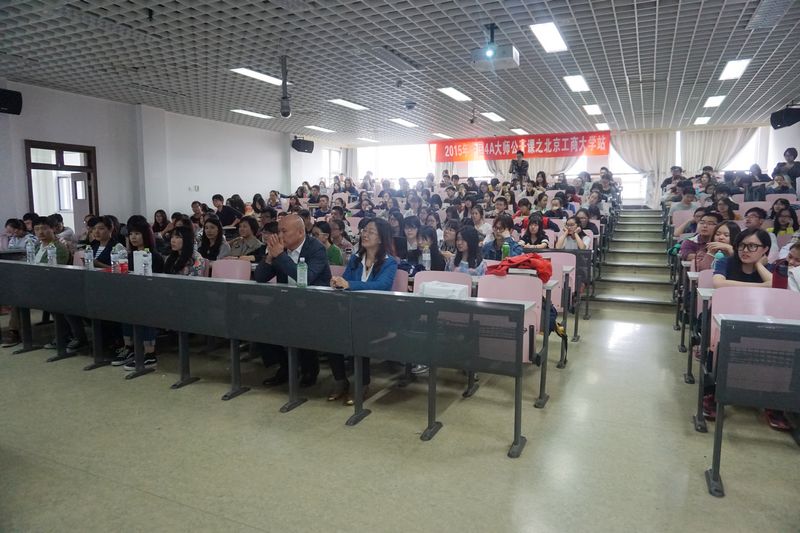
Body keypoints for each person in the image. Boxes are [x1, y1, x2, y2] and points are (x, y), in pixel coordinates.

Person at [326, 218, 397, 403]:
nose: (365, 234)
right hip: (351, 312)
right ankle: (340, 380)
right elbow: (345, 280)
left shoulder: (390, 263)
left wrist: (350, 284)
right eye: (364, 230)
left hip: (377, 317)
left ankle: (363, 383)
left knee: (359, 332)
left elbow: (381, 285)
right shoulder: (356, 259)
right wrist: (337, 282)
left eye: (371, 232)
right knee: (330, 331)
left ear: (381, 238)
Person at [255, 214, 332, 386]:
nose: (279, 235)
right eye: (279, 231)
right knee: (259, 322)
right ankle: (285, 366)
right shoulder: (280, 248)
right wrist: (270, 257)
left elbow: (305, 279)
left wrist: (280, 256)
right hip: (287, 300)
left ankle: (309, 369)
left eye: (284, 231)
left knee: (302, 324)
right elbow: (260, 277)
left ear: (300, 232)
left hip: (314, 301)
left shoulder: (316, 248)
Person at [111, 216, 165, 369]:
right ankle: (130, 348)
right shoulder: (129, 256)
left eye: (137, 234)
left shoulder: (154, 256)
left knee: (144, 311)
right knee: (124, 308)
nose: (133, 237)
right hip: (133, 296)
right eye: (131, 234)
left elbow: (156, 283)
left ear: (145, 235)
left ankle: (150, 354)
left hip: (151, 298)